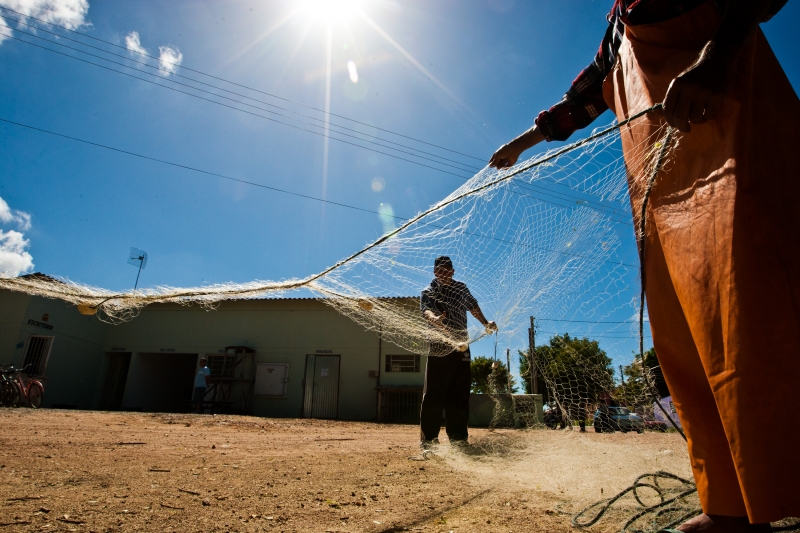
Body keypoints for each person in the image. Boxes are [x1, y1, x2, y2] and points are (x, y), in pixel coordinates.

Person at [489, 1, 799, 531]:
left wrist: (716, 59)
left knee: (762, 308)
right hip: (664, 196)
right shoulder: (616, 26)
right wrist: (522, 144)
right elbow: (582, 101)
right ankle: (729, 504)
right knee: (689, 340)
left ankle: (781, 485)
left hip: (736, 147)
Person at [419, 256, 496, 449]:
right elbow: (426, 311)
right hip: (438, 349)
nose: (444, 273)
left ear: (453, 271)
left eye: (447, 270)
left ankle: (459, 440)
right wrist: (434, 318)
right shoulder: (428, 292)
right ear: (434, 272)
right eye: (440, 270)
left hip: (461, 348)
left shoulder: (461, 288)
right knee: (434, 395)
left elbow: (473, 307)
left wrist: (486, 323)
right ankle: (429, 441)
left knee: (460, 394)